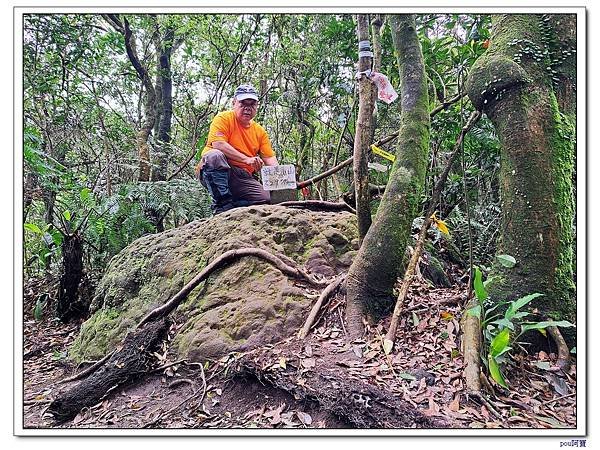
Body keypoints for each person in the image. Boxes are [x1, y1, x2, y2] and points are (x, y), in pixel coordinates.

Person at [196, 84, 279, 214]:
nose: (247, 108)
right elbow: (218, 144)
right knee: (214, 156)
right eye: (243, 103)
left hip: (241, 175)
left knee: (266, 199)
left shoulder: (259, 131)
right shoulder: (223, 118)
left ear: (257, 106)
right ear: (234, 103)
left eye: (252, 104)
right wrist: (246, 159)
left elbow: (269, 158)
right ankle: (222, 206)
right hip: (214, 169)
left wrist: (286, 180)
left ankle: (235, 205)